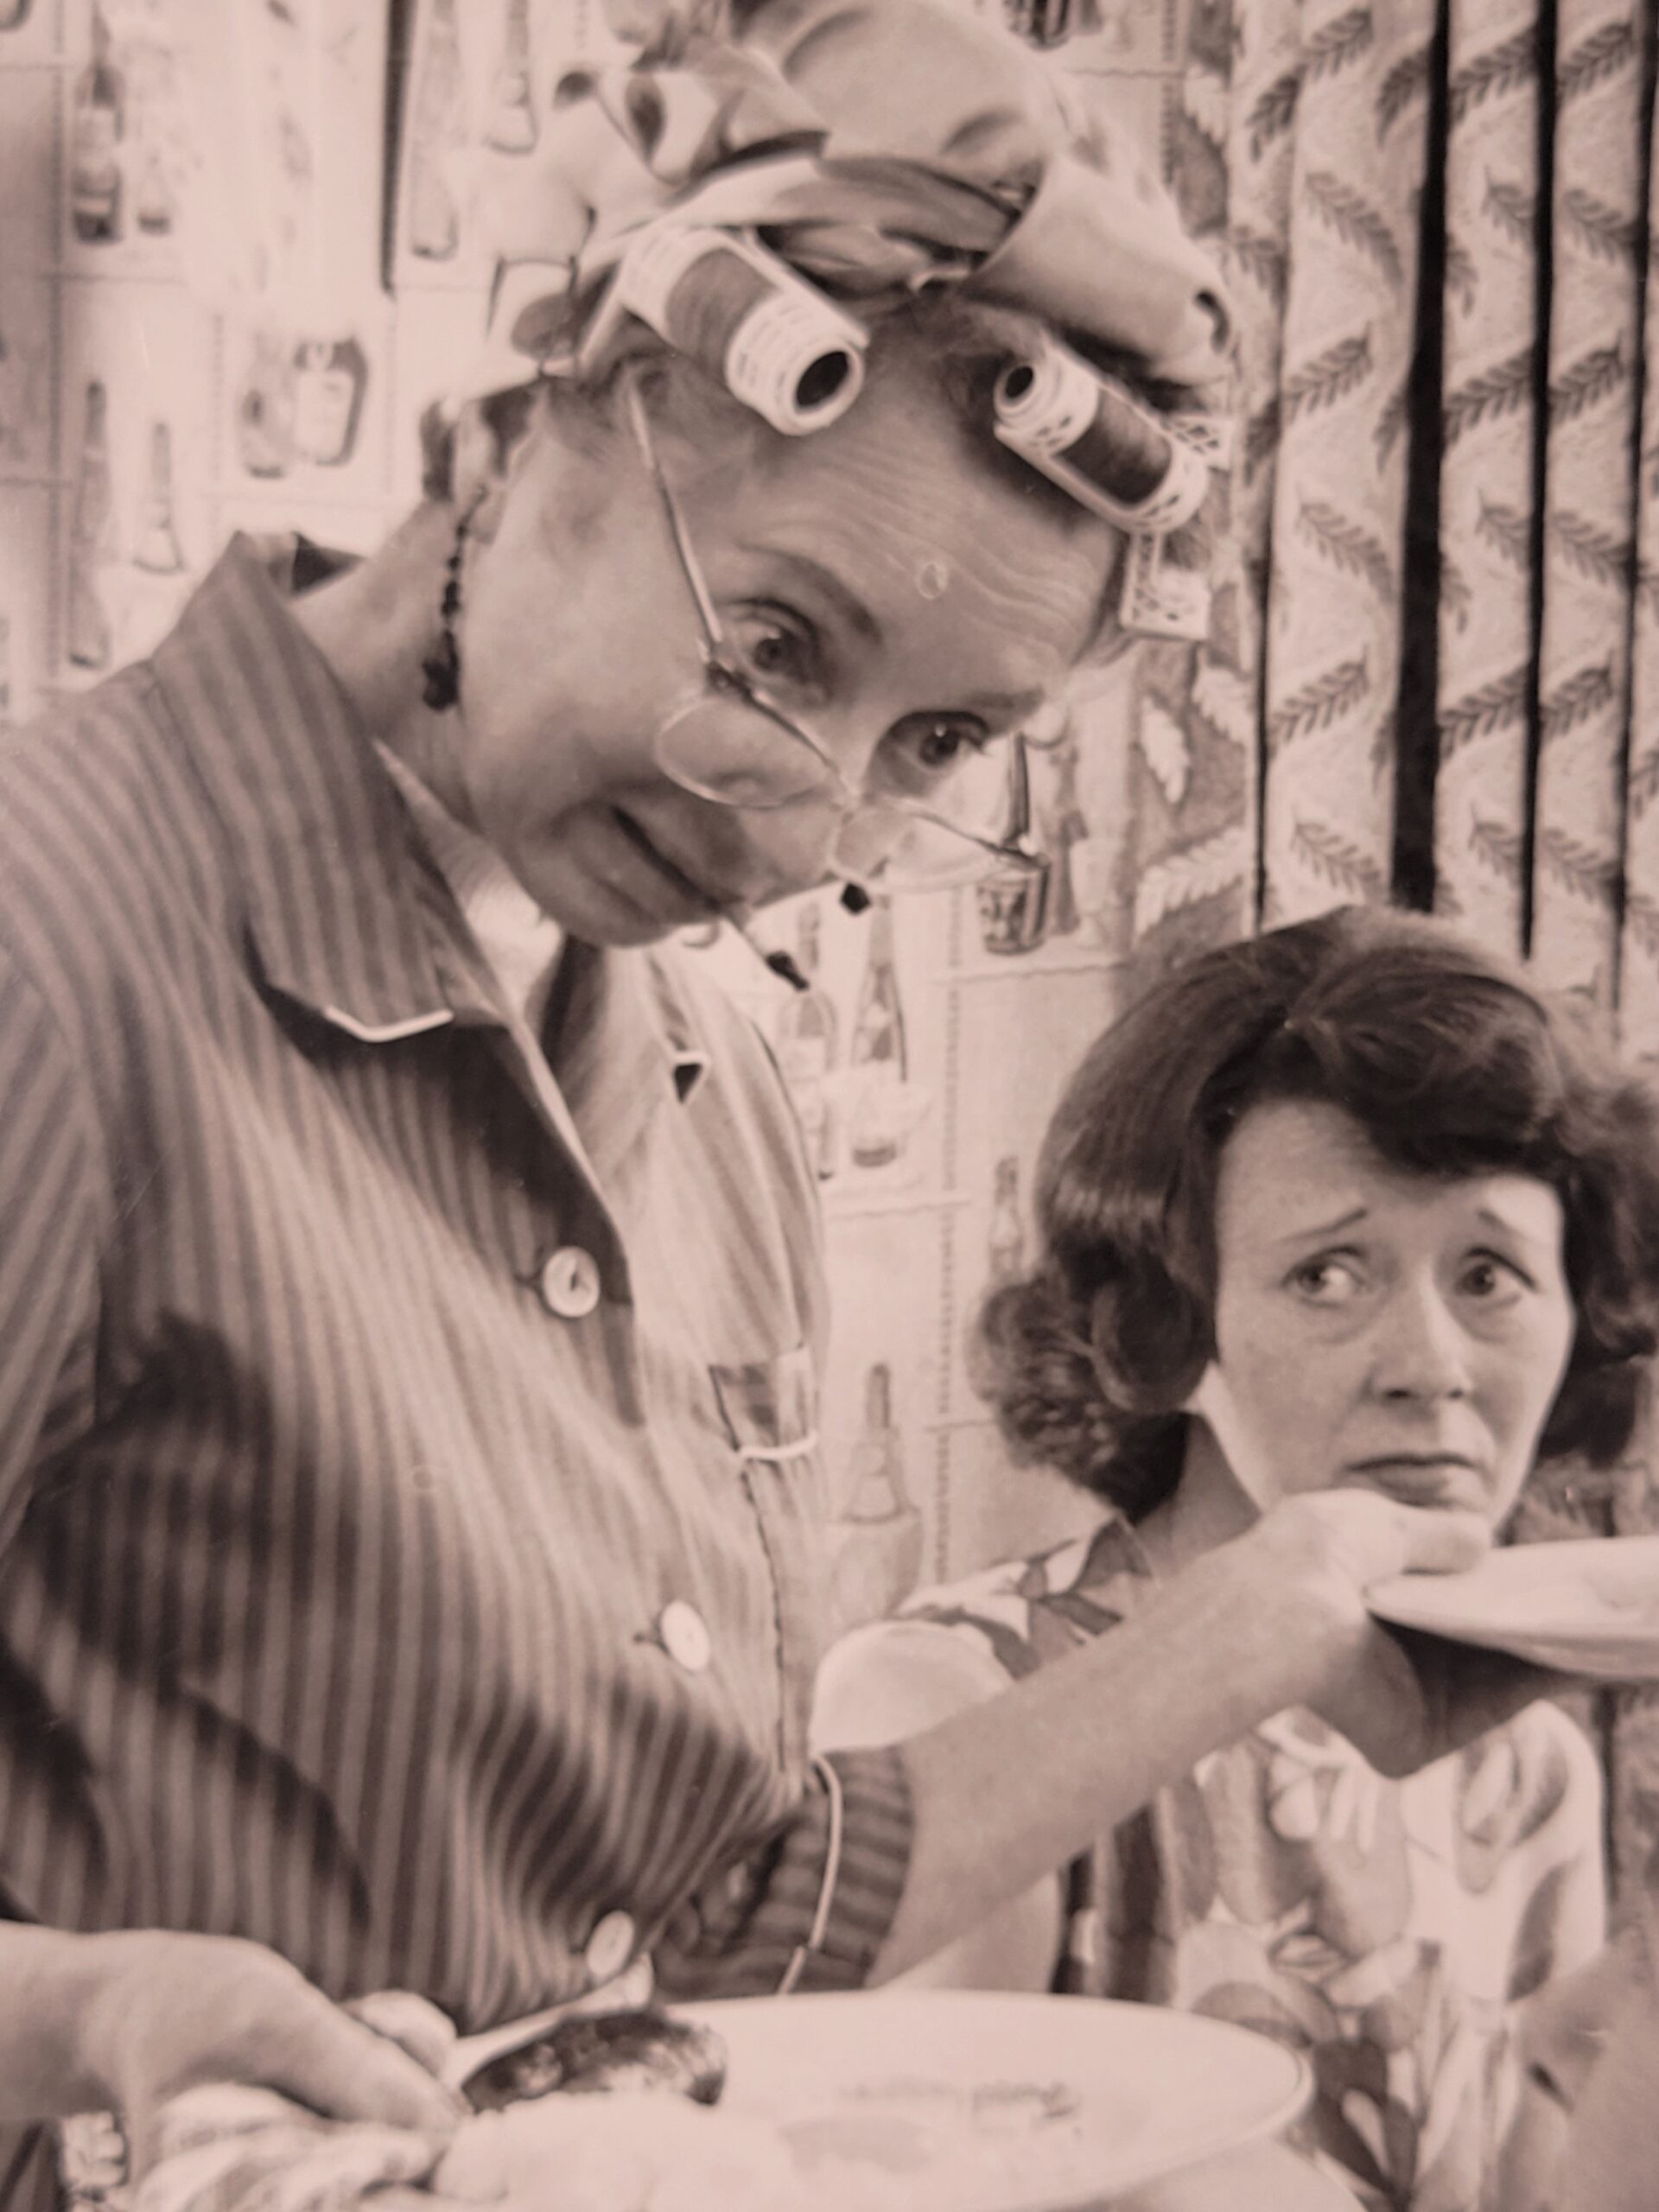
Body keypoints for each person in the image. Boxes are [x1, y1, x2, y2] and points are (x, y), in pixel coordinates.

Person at [0, 0, 1587, 2198]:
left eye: (938, 748)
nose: (805, 818)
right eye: (780, 642)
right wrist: (87, 2008)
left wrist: (1274, 1611)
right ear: (544, 417)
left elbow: (723, 1913)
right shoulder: (51, 938)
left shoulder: (706, 1074)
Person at [814, 906, 1659, 2212]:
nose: (1431, 1369)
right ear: (1173, 1327)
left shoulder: (1521, 1757)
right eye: (1330, 1275)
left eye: (1490, 1275)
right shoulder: (950, 1695)